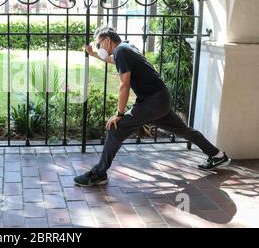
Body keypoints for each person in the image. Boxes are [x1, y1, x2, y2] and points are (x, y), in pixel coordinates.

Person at [74, 25, 230, 187]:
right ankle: (218, 155)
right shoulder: (126, 48)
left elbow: (124, 85)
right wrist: (93, 54)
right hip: (159, 99)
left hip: (153, 101)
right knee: (183, 130)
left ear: (107, 40)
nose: (99, 48)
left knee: (116, 128)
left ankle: (99, 173)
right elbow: (112, 60)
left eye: (99, 45)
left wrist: (119, 114)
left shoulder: (121, 52)